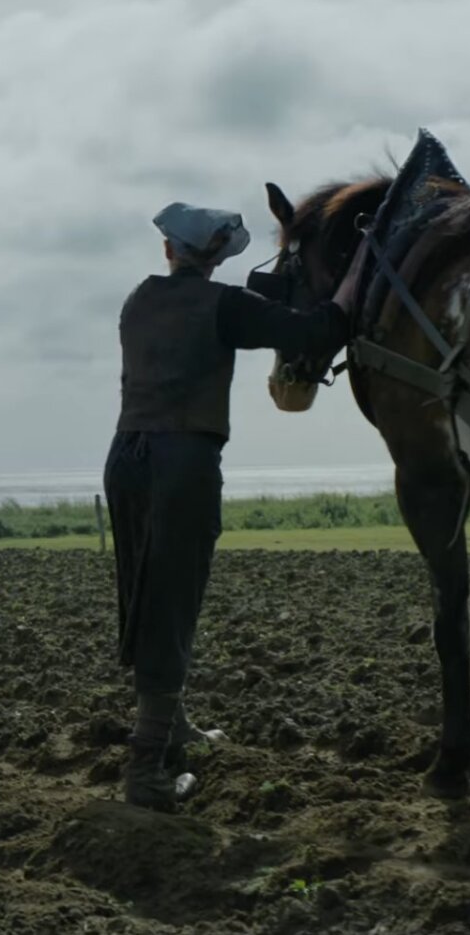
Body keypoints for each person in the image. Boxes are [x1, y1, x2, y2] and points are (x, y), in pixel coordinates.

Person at [106, 202, 352, 812]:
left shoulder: (138, 299)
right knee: (173, 600)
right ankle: (147, 769)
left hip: (127, 457)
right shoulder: (227, 306)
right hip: (182, 462)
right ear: (217, 257)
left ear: (169, 250)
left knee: (145, 593)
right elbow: (316, 332)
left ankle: (173, 729)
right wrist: (354, 286)